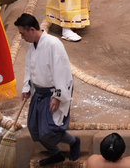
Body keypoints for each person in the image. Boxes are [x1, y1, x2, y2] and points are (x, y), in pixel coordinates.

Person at [16, 13, 80, 165]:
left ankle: (73, 141)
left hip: (54, 91)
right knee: (34, 127)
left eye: (22, 33)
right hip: (38, 91)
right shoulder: (33, 45)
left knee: (49, 130)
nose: (22, 37)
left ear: (32, 29)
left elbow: (62, 71)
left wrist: (57, 96)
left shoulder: (53, 44)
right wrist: (27, 87)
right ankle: (55, 153)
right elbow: (29, 68)